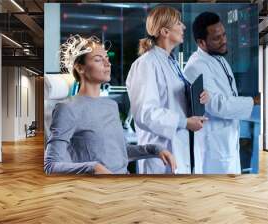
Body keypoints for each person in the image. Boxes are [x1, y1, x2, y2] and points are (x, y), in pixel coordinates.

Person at [44, 35, 177, 175]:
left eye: (107, 58)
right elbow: (51, 166)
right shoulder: (67, 109)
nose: (107, 64)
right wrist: (92, 168)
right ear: (80, 68)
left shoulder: (111, 105)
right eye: (98, 59)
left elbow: (119, 152)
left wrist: (155, 149)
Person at [126, 5, 209, 174]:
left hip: (180, 149)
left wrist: (197, 97)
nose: (183, 27)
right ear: (165, 31)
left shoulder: (170, 62)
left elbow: (173, 101)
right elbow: (146, 113)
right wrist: (184, 122)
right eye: (178, 23)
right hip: (160, 156)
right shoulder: (146, 64)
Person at [184, 12, 260, 174]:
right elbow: (218, 105)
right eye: (217, 38)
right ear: (201, 42)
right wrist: (253, 101)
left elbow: (229, 97)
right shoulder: (195, 67)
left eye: (224, 35)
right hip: (213, 149)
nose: (224, 40)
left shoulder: (219, 58)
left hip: (228, 143)